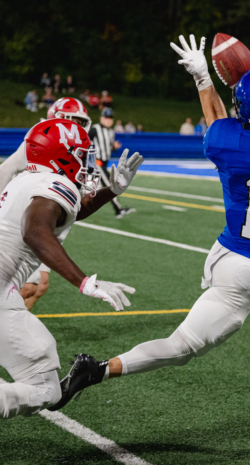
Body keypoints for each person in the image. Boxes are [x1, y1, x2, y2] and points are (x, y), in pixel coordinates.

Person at [52, 12, 250, 425]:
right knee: (181, 348)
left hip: (230, 253)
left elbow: (217, 118)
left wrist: (202, 77)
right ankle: (97, 369)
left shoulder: (227, 144)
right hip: (247, 272)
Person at [0, 118, 143, 420]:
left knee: (46, 382)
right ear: (61, 153)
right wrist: (84, 282)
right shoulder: (56, 183)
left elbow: (63, 213)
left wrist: (111, 191)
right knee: (45, 389)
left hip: (5, 289)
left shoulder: (26, 180)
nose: (85, 161)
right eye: (81, 153)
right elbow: (36, 230)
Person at [0, 97, 93, 310]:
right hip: (27, 222)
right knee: (26, 287)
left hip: (48, 219)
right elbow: (6, 169)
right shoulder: (47, 140)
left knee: (39, 287)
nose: (77, 126)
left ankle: (14, 331)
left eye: (81, 121)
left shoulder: (72, 145)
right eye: (72, 120)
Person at [89, 108, 135, 219]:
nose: (108, 120)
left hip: (104, 163)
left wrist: (113, 147)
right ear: (101, 118)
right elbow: (85, 143)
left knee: (97, 188)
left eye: (110, 118)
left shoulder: (110, 132)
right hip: (97, 162)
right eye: (106, 117)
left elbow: (108, 148)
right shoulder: (94, 130)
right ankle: (118, 209)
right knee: (111, 185)